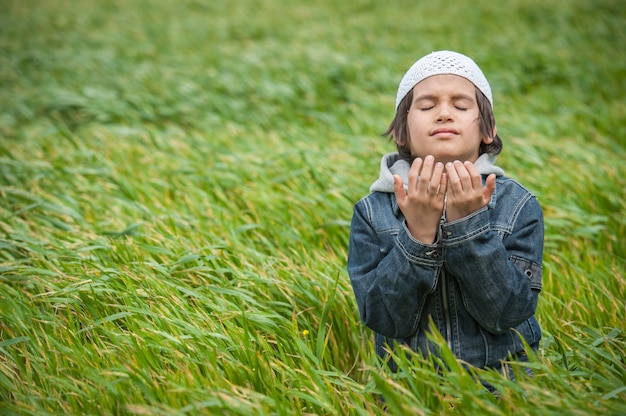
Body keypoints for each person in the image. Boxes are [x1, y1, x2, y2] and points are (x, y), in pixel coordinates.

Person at [347, 50, 544, 376]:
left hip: (505, 389)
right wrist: (418, 236)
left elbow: (509, 312)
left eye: (461, 105)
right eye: (426, 106)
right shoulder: (372, 212)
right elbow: (383, 318)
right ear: (401, 132)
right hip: (409, 392)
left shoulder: (518, 205)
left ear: (488, 130)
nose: (444, 114)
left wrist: (469, 227)